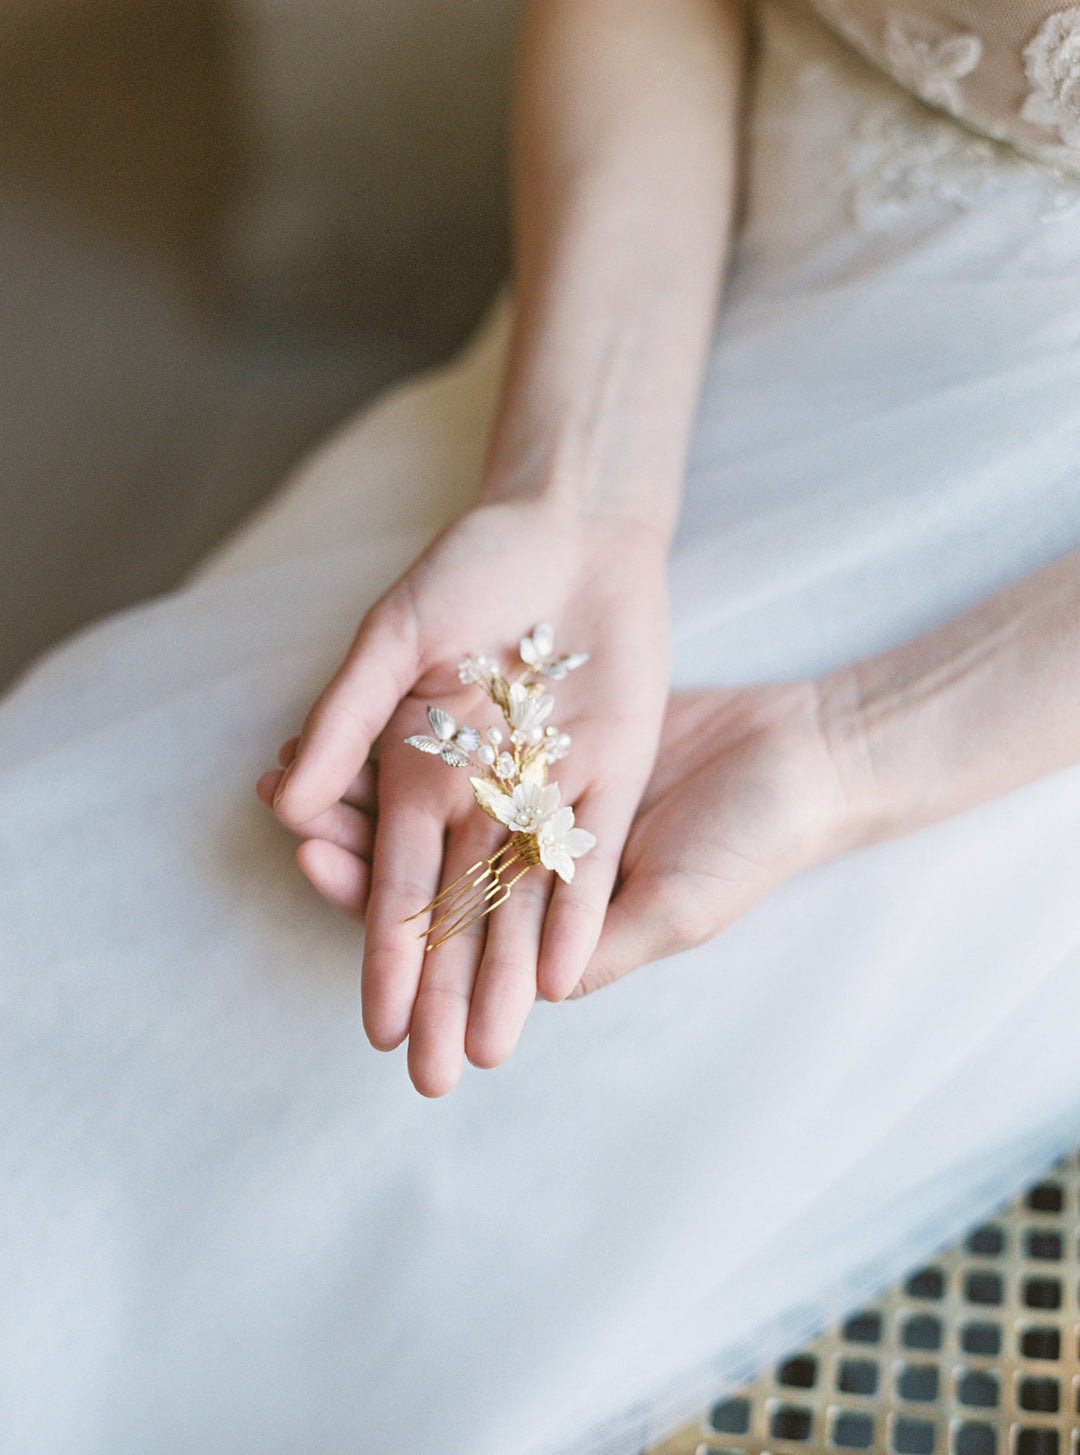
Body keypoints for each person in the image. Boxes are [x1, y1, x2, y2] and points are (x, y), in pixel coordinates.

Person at [3, 2, 1080, 1453]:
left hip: (1017, 632)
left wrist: (854, 744)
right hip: (656, 288)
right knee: (93, 879)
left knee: (386, 1112)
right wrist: (575, 489)